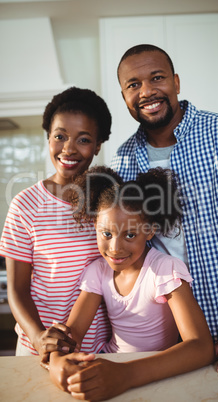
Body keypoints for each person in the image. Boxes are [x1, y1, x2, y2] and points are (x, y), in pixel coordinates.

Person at [110, 44, 218, 376]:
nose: (147, 91)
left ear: (176, 82)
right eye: (133, 85)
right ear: (124, 96)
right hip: (152, 336)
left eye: (157, 78)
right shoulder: (122, 159)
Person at [48, 165, 214, 401]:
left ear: (149, 231)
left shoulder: (164, 270)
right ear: (95, 226)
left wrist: (125, 374)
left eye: (130, 235)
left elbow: (201, 347)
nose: (115, 248)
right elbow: (72, 333)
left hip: (155, 372)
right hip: (110, 363)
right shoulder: (97, 271)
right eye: (106, 234)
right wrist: (57, 361)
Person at [0, 87, 112, 363]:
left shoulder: (108, 201)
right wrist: (38, 337)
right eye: (60, 136)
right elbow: (16, 289)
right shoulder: (24, 204)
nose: (69, 149)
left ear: (98, 145)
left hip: (97, 348)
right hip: (36, 347)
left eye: (83, 139)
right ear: (48, 138)